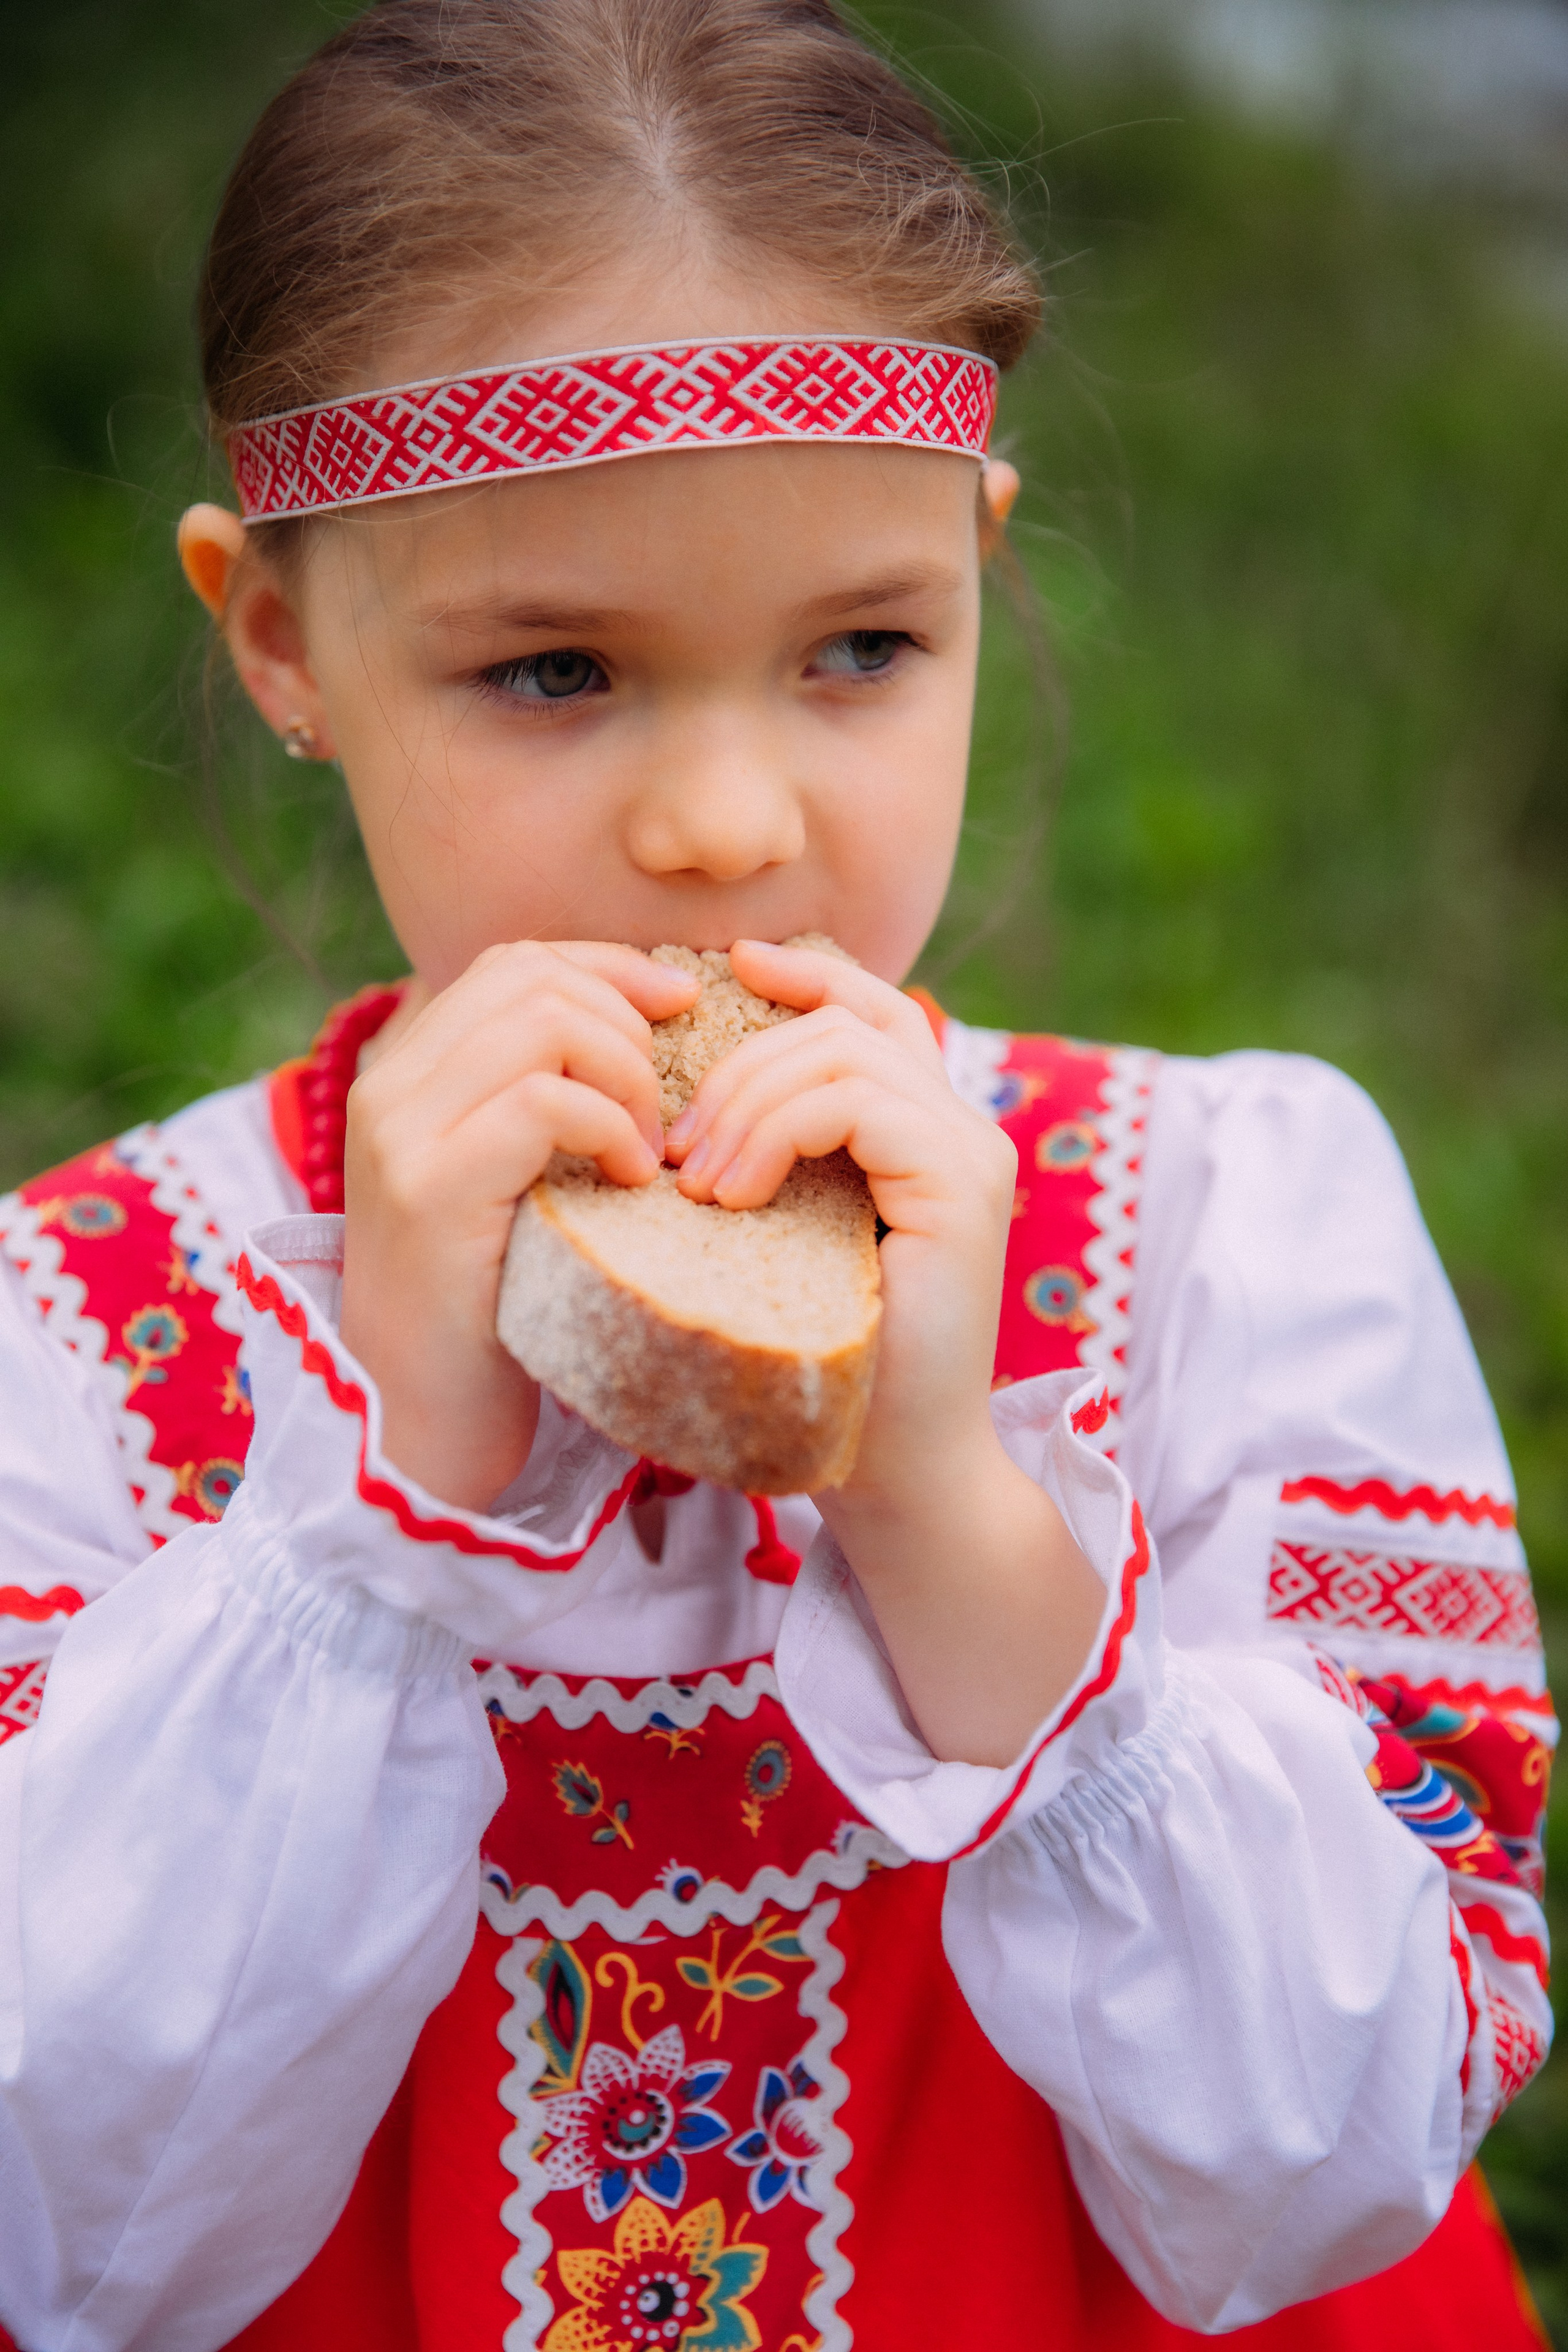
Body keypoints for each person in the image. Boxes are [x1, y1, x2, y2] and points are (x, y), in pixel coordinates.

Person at [0, 2, 1553, 2346]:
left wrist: (945, 1494)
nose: (729, 825)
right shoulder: (89, 1325)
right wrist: (384, 1509)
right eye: (553, 672)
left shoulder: (1223, 1224)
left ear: (975, 560)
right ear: (281, 637)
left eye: (859, 645)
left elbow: (1336, 2168)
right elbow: (75, 2221)